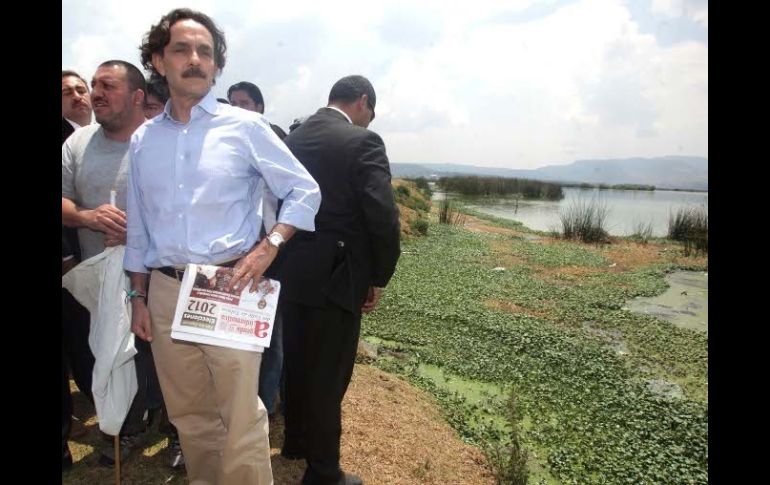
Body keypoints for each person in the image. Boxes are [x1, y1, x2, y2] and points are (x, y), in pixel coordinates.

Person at [124, 8, 321, 484]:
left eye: (205, 52)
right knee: (190, 415)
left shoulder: (245, 127)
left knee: (240, 416)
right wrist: (137, 297)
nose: (195, 60)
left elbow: (304, 190)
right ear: (159, 59)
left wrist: (270, 245)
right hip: (167, 292)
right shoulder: (143, 140)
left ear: (216, 64)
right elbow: (139, 228)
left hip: (230, 282)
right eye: (182, 50)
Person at [277, 75, 401, 485]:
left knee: (296, 362)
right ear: (363, 102)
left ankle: (295, 440)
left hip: (288, 267)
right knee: (329, 374)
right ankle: (323, 470)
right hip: (337, 274)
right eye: (371, 113)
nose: (368, 121)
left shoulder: (292, 138)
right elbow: (381, 215)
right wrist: (378, 275)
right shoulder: (363, 142)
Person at [62, 60, 150, 467]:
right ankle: (123, 429)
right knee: (107, 352)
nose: (95, 93)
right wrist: (87, 217)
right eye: (93, 84)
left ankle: (172, 428)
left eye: (107, 85)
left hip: (155, 277)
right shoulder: (75, 144)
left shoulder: (161, 142)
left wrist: (139, 234)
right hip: (96, 279)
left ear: (136, 97)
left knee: (156, 359)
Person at [227, 80, 287, 417]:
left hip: (271, 254)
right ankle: (236, 406)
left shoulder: (274, 141)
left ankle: (264, 404)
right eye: (232, 102)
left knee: (270, 337)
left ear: (260, 107)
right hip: (233, 256)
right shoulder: (221, 145)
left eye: (245, 102)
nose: (238, 108)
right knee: (234, 333)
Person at [61, 69, 94, 471]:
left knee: (84, 342)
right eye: (66, 92)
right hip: (69, 265)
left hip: (93, 262)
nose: (77, 97)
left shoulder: (97, 136)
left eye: (80, 89)